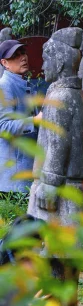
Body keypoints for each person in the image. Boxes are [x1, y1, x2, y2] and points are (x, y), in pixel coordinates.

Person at [0, 39, 36, 198]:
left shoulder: (25, 84)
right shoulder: (4, 85)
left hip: (27, 174)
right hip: (13, 182)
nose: (23, 57)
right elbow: (3, 127)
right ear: (4, 63)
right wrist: (34, 121)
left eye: (23, 52)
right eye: (15, 55)